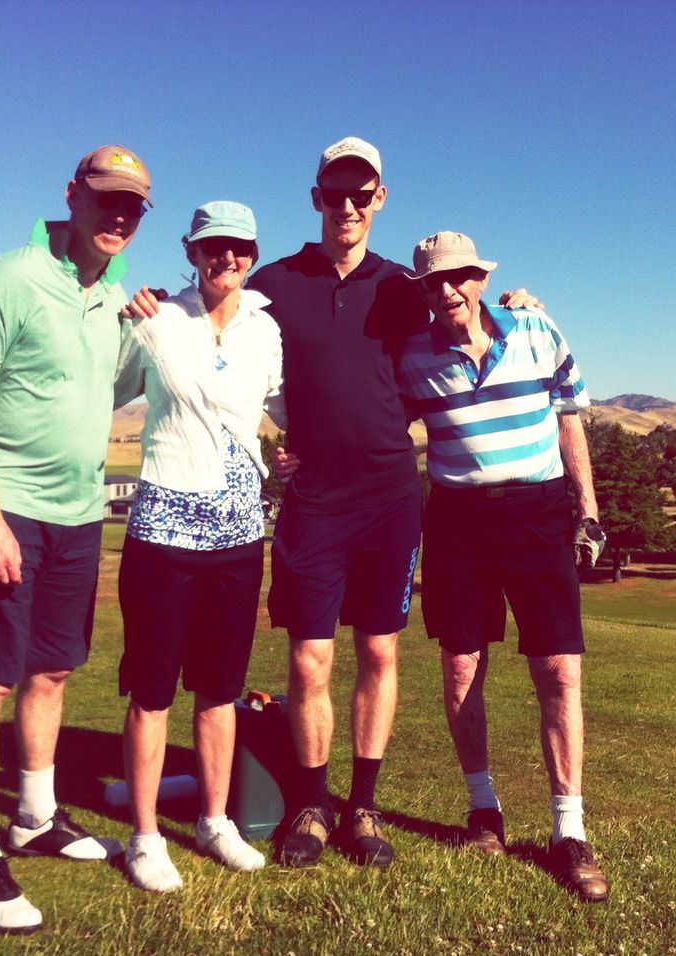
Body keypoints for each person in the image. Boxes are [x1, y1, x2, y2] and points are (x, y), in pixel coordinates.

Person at [0, 145, 151, 933]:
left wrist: (157, 321)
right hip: (11, 506)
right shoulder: (14, 276)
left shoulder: (113, 298)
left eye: (132, 206)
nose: (118, 215)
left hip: (80, 513)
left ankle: (34, 816)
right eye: (106, 199)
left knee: (54, 669)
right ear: (73, 195)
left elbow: (115, 387)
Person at [395, 231, 610, 903]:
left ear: (481, 279)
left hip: (538, 512)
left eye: (460, 276)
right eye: (435, 282)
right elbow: (379, 428)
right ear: (424, 291)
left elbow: (570, 420)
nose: (449, 289)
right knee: (461, 668)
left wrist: (589, 512)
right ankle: (484, 813)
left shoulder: (537, 329)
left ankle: (568, 833)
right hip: (458, 519)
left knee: (558, 670)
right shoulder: (412, 357)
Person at [245, 137, 428, 868]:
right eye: (334, 193)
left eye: (362, 194)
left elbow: (462, 337)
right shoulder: (275, 283)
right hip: (315, 499)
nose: (347, 206)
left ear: (380, 199)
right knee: (311, 659)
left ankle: (364, 808)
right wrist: (149, 299)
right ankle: (312, 806)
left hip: (390, 493)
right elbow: (218, 331)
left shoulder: (404, 288)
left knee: (379, 650)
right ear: (315, 197)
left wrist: (514, 303)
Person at [112, 201, 286, 892]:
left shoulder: (266, 329)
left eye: (239, 247)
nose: (226, 259)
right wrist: (116, 319)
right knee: (152, 690)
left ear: (251, 252)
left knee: (220, 689)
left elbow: (283, 409)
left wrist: (300, 451)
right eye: (213, 247)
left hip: (240, 536)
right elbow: (104, 384)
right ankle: (146, 837)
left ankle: (216, 822)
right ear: (191, 250)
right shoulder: (156, 320)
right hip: (161, 534)